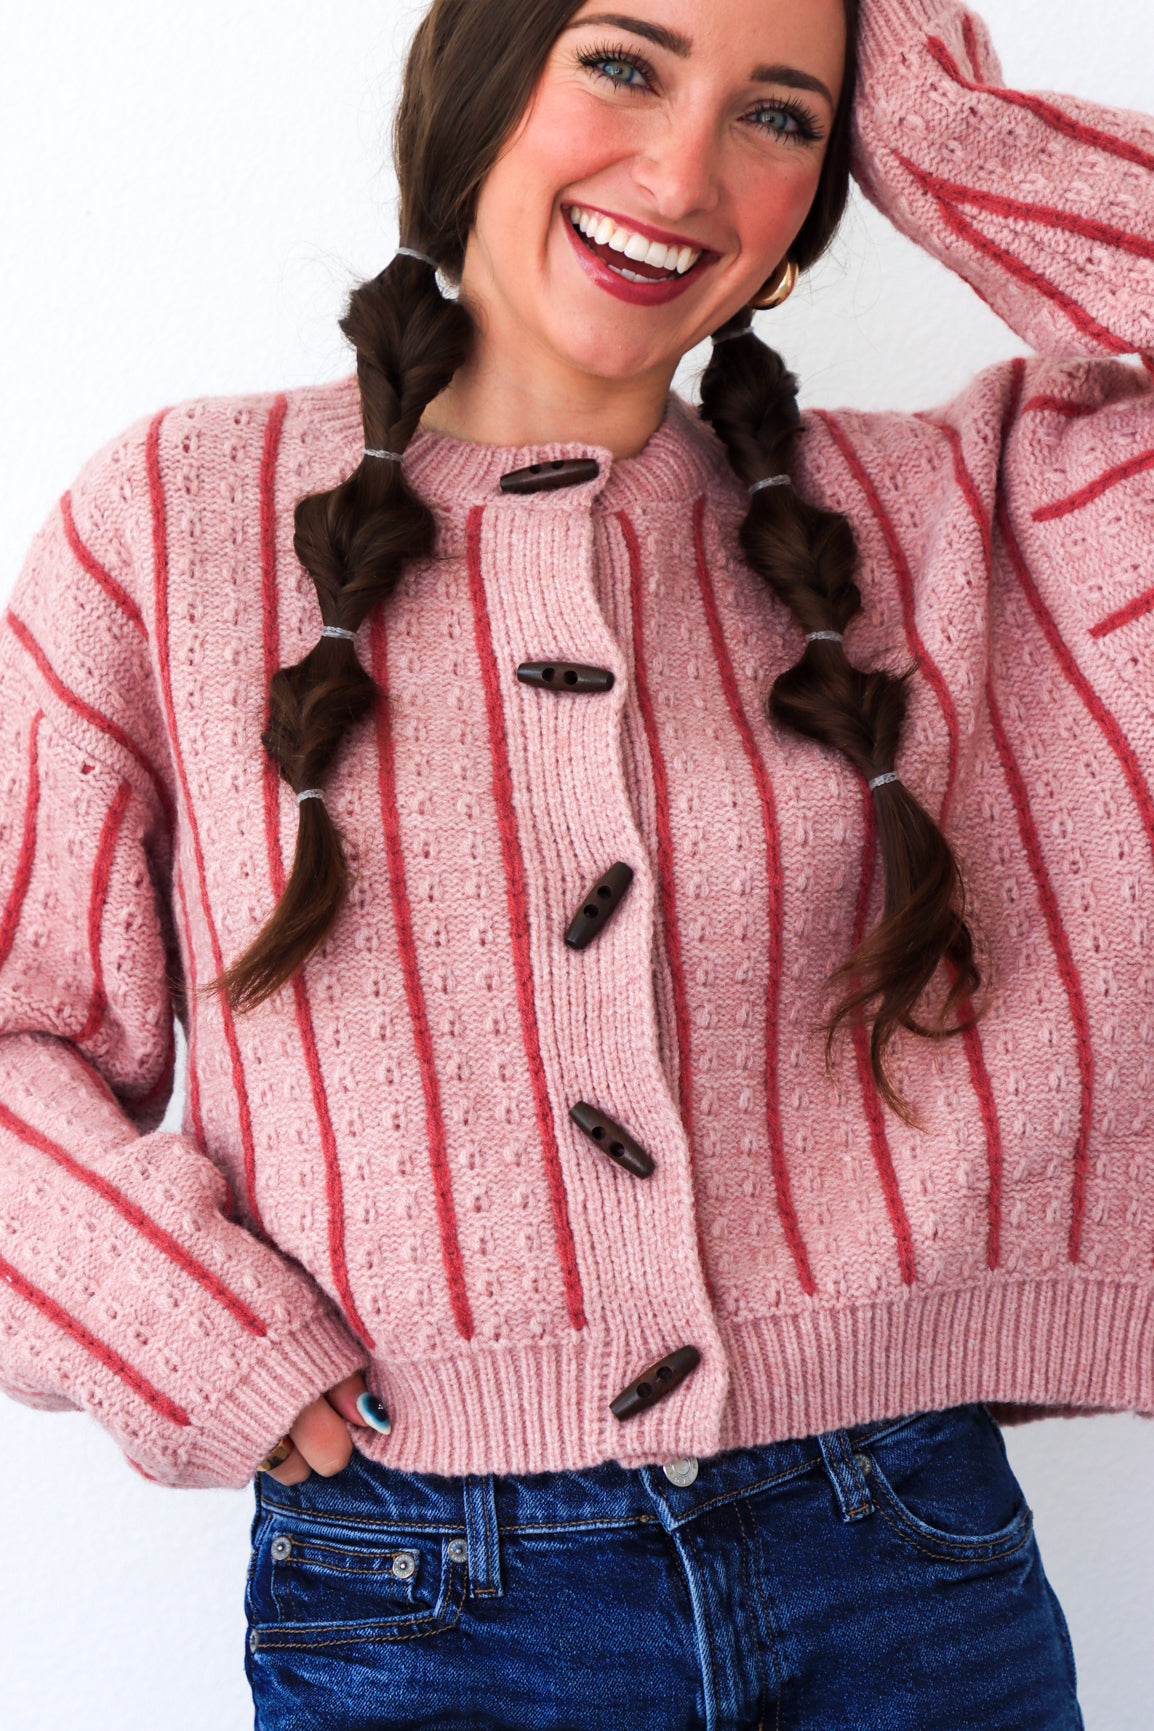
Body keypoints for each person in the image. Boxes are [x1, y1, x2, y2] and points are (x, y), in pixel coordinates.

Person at [1, 0, 1151, 1721]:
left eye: (775, 117)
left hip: (903, 1563)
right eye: (622, 64)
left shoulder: (928, 519)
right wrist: (185, 1335)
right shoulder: (175, 519)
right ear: (479, 88)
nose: (682, 171)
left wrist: (925, 111)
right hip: (420, 1593)